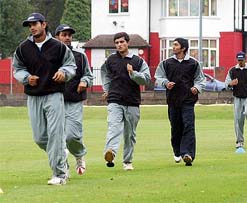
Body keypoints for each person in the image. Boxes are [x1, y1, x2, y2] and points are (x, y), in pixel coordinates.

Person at [13, 13, 77, 185]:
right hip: (33, 97)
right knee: (40, 138)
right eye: (30, 25)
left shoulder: (58, 46)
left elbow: (71, 65)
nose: (32, 27)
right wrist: (26, 77)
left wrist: (64, 72)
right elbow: (17, 68)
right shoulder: (22, 48)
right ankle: (61, 155)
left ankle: (60, 174)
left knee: (56, 134)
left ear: (44, 24)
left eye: (35, 24)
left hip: (54, 95)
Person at [101, 32, 151, 170]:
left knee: (129, 134)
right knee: (113, 127)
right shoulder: (110, 60)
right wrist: (107, 89)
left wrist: (133, 73)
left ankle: (127, 161)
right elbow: (104, 74)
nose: (119, 45)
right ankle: (110, 151)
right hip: (115, 100)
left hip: (132, 101)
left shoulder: (138, 61)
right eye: (116, 43)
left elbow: (147, 79)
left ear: (128, 43)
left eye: (122, 42)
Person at [154, 38, 206, 166]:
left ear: (183, 48)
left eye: (176, 45)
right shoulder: (166, 63)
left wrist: (197, 88)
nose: (173, 47)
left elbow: (201, 79)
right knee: (176, 128)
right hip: (173, 101)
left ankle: (188, 154)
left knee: (189, 126)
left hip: (188, 100)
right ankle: (177, 151)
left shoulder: (193, 64)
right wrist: (166, 83)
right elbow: (158, 77)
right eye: (173, 44)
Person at [55, 24, 94, 175]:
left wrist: (84, 81)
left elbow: (89, 75)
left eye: (69, 35)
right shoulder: (50, 55)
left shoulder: (80, 56)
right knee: (57, 136)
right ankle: (63, 165)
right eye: (64, 34)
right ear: (57, 36)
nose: (67, 38)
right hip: (54, 100)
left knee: (72, 135)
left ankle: (79, 155)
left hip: (74, 100)